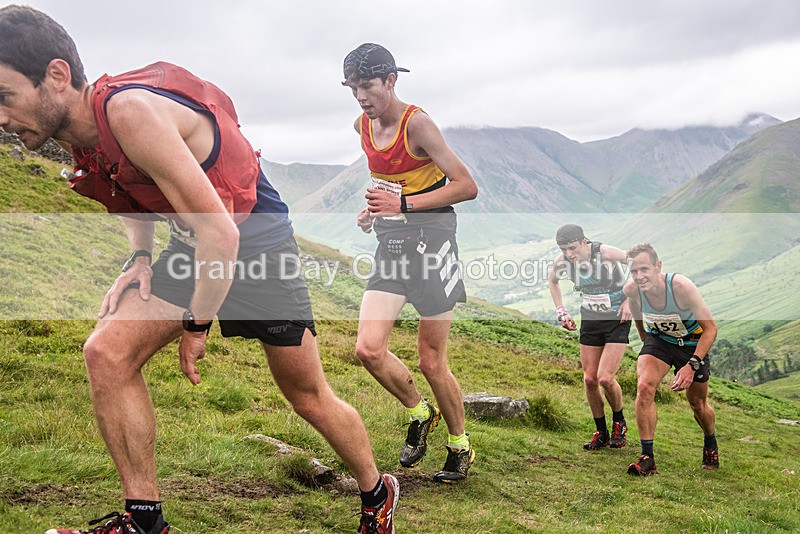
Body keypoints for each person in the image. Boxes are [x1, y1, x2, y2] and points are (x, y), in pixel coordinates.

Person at [0, 6, 398, 534]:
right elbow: (125, 191)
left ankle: (376, 491)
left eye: (5, 97)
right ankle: (144, 522)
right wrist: (140, 257)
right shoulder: (80, 132)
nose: (1, 117)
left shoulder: (131, 113)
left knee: (307, 395)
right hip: (198, 241)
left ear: (56, 75)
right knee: (106, 353)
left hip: (255, 241)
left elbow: (223, 235)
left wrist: (195, 324)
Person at [341, 43, 478, 483]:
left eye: (368, 86)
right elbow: (390, 179)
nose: (361, 96)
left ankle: (460, 446)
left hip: (434, 244)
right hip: (393, 245)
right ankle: (420, 413)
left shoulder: (416, 123)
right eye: (353, 87)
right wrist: (376, 209)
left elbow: (466, 186)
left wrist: (401, 203)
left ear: (391, 80)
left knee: (431, 360)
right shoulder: (362, 125)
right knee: (368, 348)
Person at [623, 242, 718, 476]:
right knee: (644, 387)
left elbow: (711, 329)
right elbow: (636, 312)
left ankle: (710, 441)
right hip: (660, 341)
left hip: (693, 344)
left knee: (697, 404)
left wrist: (691, 365)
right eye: (634, 271)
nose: (639, 276)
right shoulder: (632, 290)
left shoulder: (681, 287)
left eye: (644, 269)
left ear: (658, 266)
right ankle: (647, 458)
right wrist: (646, 338)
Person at [548, 224, 632, 451]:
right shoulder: (563, 262)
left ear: (584, 241)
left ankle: (619, 423)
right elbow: (553, 282)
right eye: (563, 249)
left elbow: (640, 265)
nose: (568, 254)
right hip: (591, 317)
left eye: (572, 248)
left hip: (617, 318)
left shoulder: (605, 253)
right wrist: (561, 311)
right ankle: (601, 432)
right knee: (589, 379)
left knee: (605, 378)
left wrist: (630, 301)